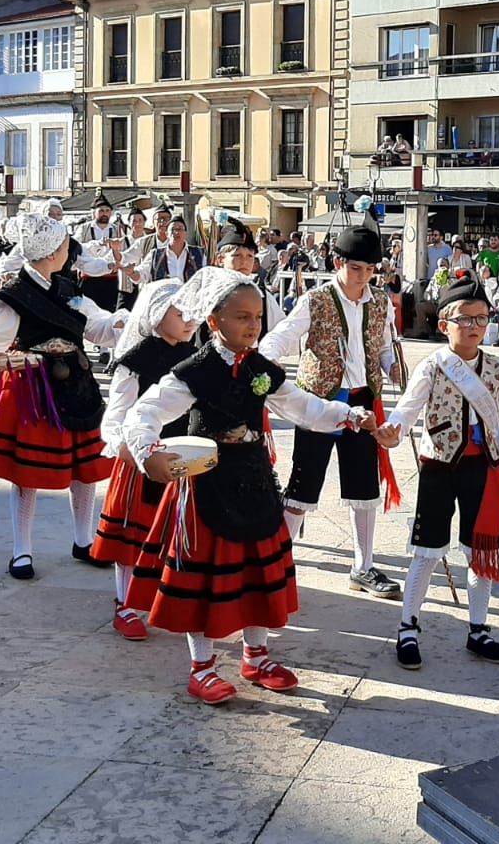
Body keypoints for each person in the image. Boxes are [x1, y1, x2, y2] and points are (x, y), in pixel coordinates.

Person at [121, 269, 378, 704]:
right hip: (207, 486)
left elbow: (302, 406)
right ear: (214, 320)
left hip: (256, 481)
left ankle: (255, 656)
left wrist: (347, 416)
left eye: (258, 316)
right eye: (242, 316)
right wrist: (148, 452)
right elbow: (143, 412)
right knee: (205, 581)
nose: (253, 325)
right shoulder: (194, 371)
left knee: (257, 574)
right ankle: (201, 666)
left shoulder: (262, 369)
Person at [0, 213, 129, 579]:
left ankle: (84, 540)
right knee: (27, 474)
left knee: (85, 469)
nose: (68, 250)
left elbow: (97, 327)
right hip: (35, 392)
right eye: (65, 245)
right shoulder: (13, 297)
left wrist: (124, 322)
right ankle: (22, 551)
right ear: (51, 252)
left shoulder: (67, 289)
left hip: (77, 385)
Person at [379, 273, 499, 670]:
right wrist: (393, 431)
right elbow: (408, 410)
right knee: (427, 551)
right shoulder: (433, 366)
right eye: (464, 319)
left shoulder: (497, 368)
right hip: (439, 466)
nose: (473, 327)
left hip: (484, 469)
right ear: (444, 323)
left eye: (481, 318)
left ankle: (478, 628)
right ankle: (408, 627)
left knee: (482, 551)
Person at [258, 224, 404, 599]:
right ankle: (278, 562)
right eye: (357, 268)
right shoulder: (317, 299)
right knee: (304, 484)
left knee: (364, 487)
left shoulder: (381, 302)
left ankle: (364, 566)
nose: (364, 276)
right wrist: (259, 361)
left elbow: (384, 346)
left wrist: (392, 367)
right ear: (339, 263)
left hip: (362, 401)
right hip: (319, 402)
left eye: (371, 269)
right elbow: (285, 335)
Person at [92, 278, 200, 641]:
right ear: (156, 314)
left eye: (193, 314)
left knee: (175, 534)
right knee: (132, 538)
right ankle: (125, 603)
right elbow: (115, 418)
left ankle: (169, 595)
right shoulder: (135, 361)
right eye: (180, 313)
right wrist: (131, 449)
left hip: (183, 459)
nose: (189, 321)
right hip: (140, 461)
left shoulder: (196, 357)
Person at [74, 194, 122, 312]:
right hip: (88, 278)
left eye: (107, 210)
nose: (104, 213)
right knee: (86, 311)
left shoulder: (117, 229)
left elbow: (122, 250)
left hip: (110, 278)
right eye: (101, 211)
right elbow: (76, 248)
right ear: (94, 212)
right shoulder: (84, 229)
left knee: (108, 312)